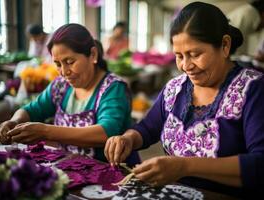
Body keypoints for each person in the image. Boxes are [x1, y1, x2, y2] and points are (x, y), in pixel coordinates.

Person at [104, 2, 264, 197]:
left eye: (195, 54)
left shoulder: (253, 90)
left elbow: (259, 164)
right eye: (179, 56)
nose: (186, 66)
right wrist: (127, 139)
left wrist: (185, 166)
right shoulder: (175, 89)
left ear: (224, 45)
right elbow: (147, 129)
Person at [0, 23, 140, 166]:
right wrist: (14, 122)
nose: (64, 72)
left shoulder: (113, 88)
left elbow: (105, 132)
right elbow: (33, 109)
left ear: (93, 55)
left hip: (115, 174)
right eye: (58, 64)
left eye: (70, 62)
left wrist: (47, 131)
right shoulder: (61, 85)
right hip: (75, 169)